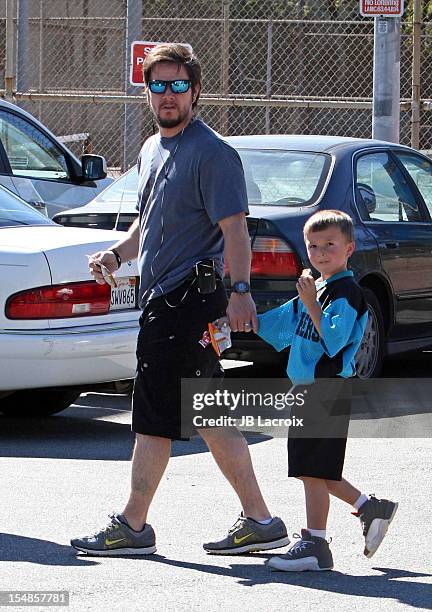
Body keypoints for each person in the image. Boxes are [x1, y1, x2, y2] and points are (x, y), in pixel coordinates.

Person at [70, 43, 288, 556]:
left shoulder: (212, 153)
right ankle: (261, 520)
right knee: (210, 414)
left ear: (195, 91)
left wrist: (240, 294)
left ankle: (133, 526)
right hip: (164, 300)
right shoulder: (151, 149)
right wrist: (117, 255)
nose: (167, 95)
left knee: (152, 415)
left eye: (177, 85)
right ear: (147, 92)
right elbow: (146, 224)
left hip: (187, 303)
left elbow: (236, 232)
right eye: (157, 86)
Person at [256, 210, 398, 571]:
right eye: (313, 246)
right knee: (316, 466)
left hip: (328, 388)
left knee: (311, 468)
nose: (320, 252)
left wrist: (311, 305)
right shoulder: (317, 287)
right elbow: (279, 327)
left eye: (330, 245)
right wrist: (238, 320)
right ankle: (370, 508)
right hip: (309, 389)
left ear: (349, 248)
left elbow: (334, 341)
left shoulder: (346, 291)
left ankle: (315, 544)